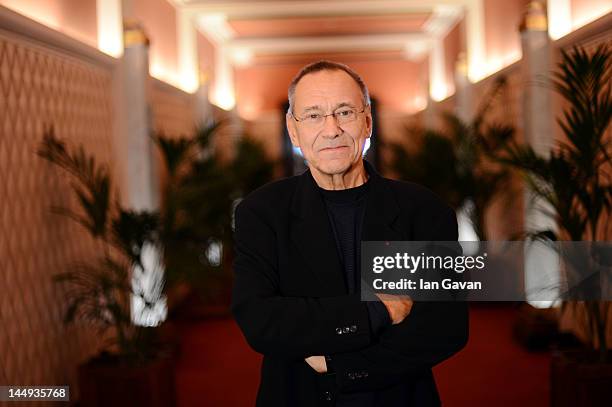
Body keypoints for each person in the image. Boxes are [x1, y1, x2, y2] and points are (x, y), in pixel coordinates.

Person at [231, 60, 468, 407]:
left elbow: (445, 327)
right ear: (293, 130)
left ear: (367, 121)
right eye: (312, 116)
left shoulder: (424, 210)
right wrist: (376, 311)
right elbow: (261, 320)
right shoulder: (261, 212)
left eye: (344, 112)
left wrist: (341, 366)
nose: (331, 130)